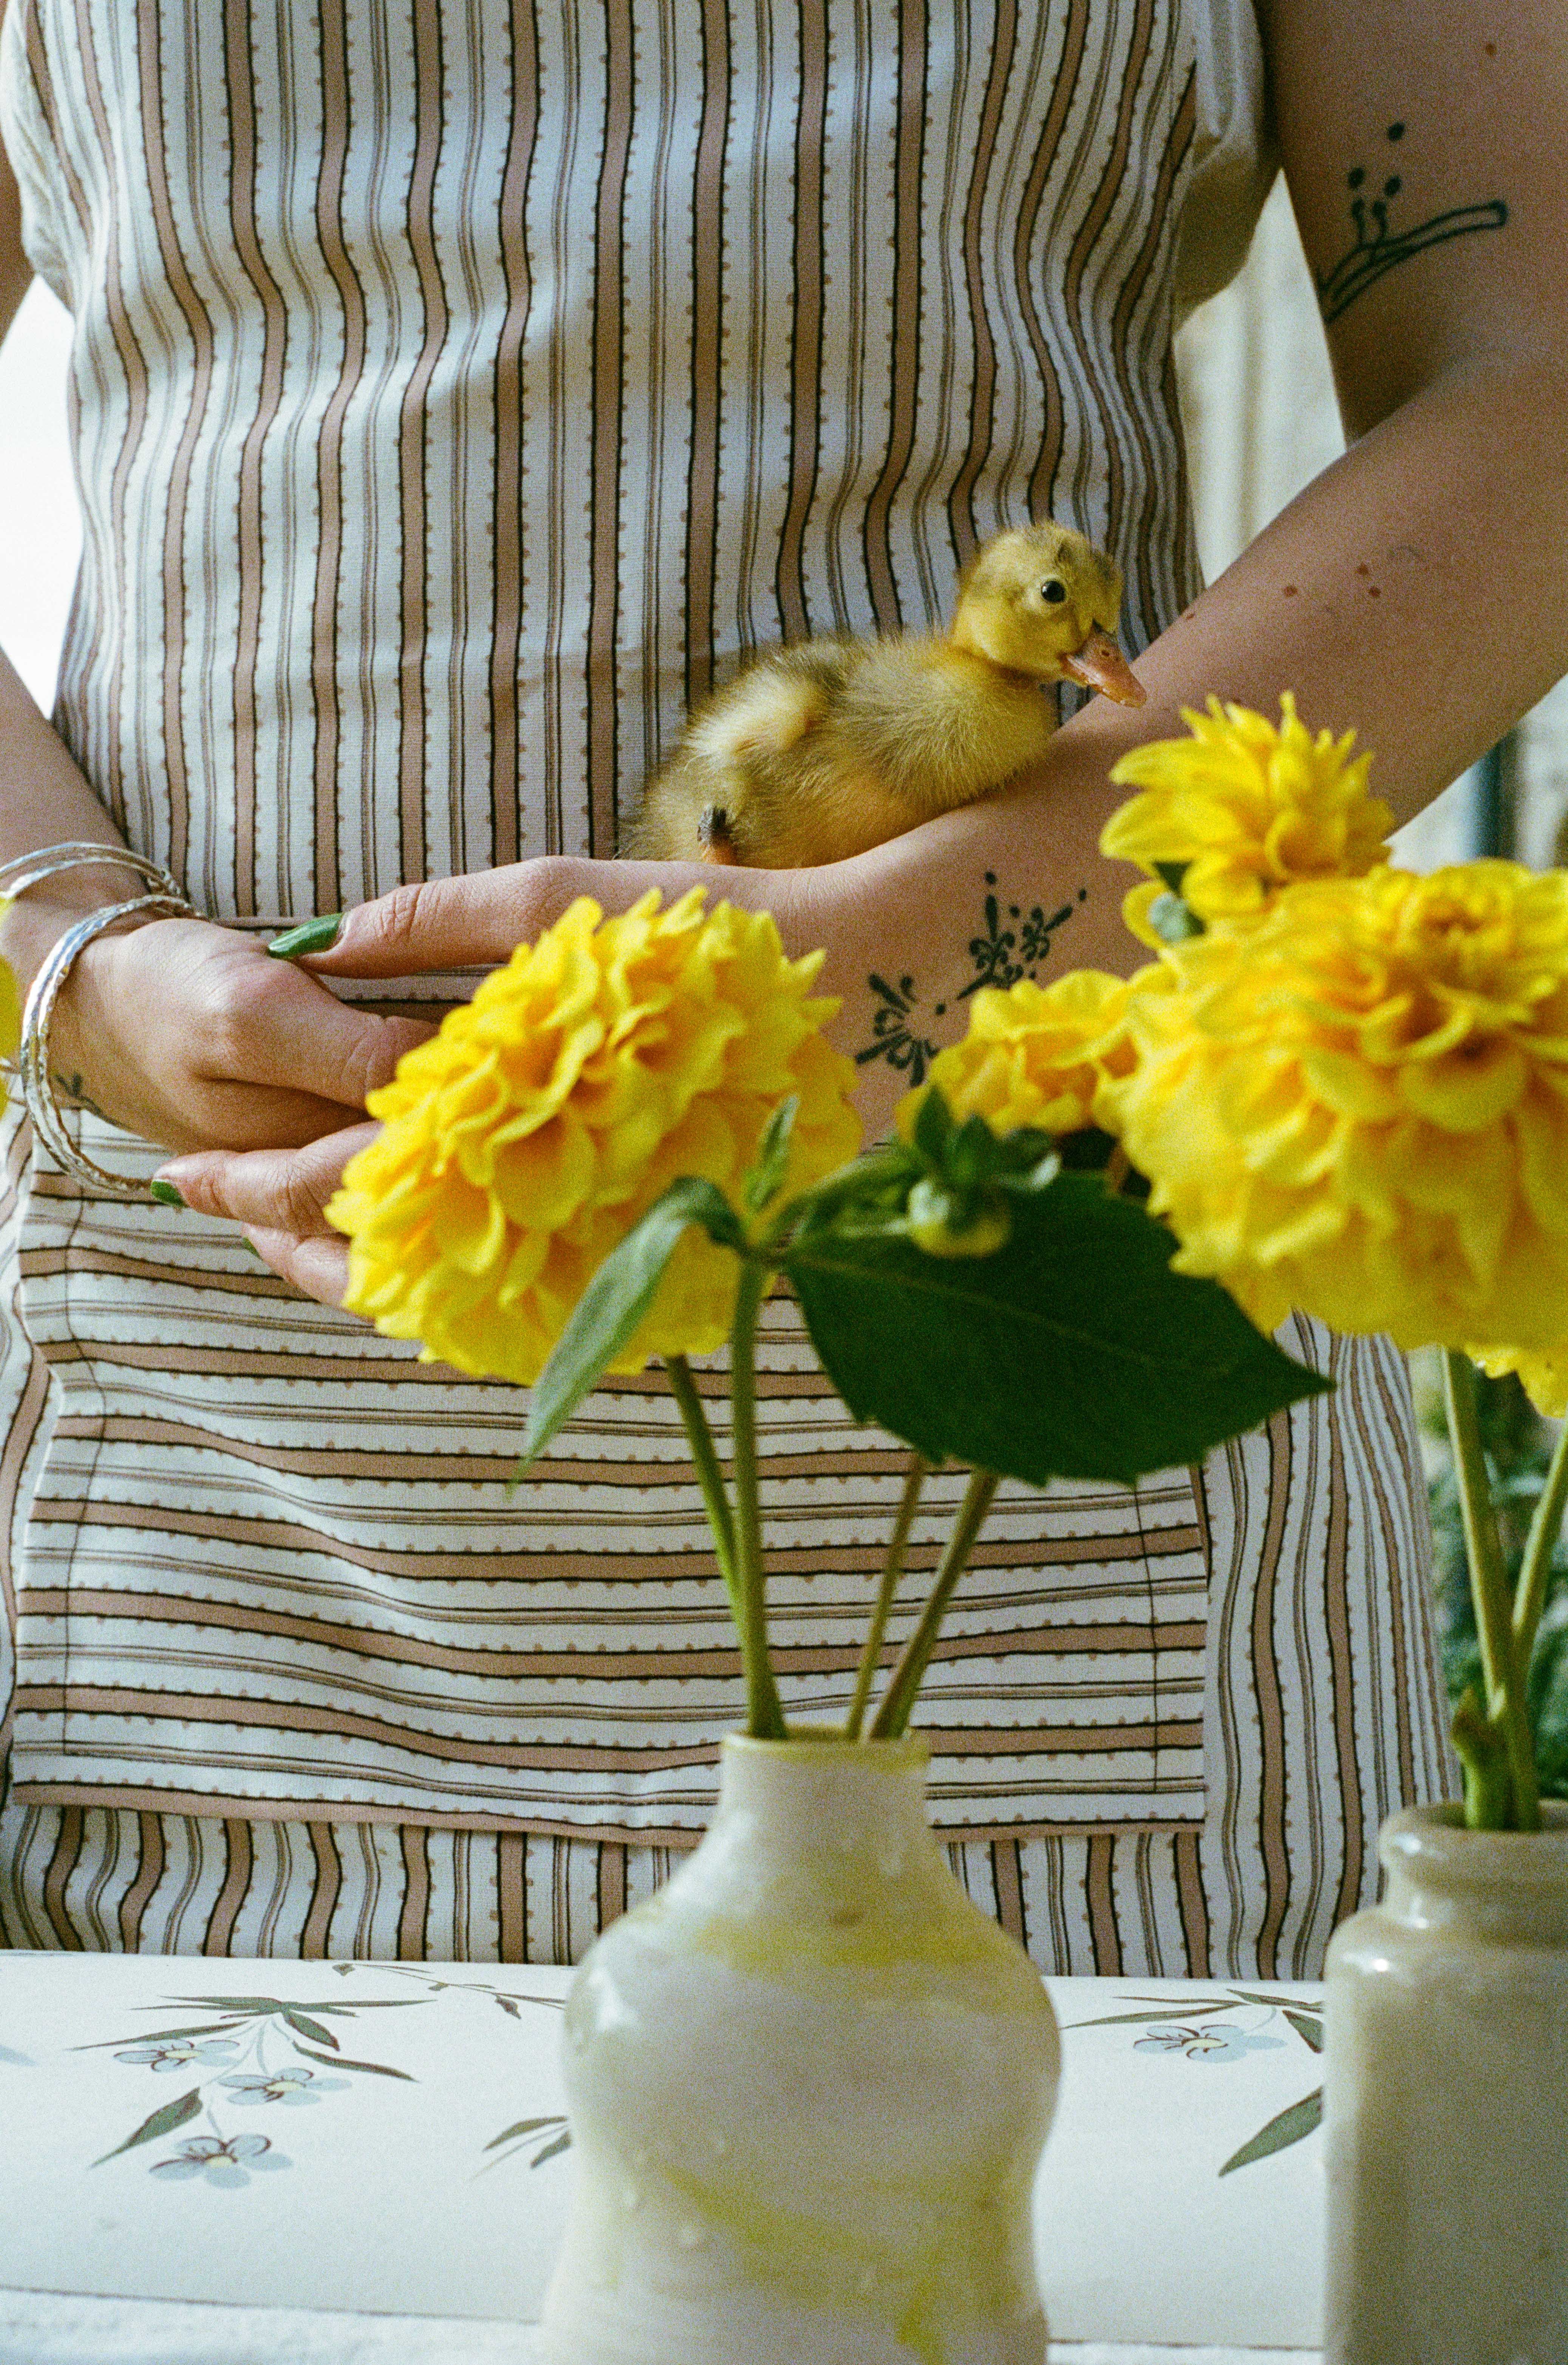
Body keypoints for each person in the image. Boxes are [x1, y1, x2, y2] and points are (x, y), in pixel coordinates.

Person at [0, 0, 1560, 1969]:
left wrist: (935, 962)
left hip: (1037, 1481)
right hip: (208, 1529)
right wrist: (65, 947)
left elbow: (1531, 369)